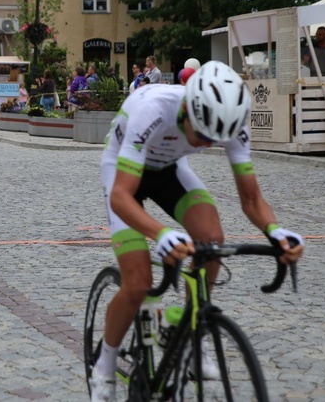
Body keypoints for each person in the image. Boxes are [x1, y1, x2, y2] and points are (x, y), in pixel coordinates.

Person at [89, 61, 305, 401]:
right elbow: (120, 197)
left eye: (215, 139)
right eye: (203, 135)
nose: (207, 144)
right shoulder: (152, 109)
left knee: (212, 240)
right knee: (138, 282)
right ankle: (104, 364)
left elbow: (251, 200)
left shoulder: (230, 124)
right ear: (188, 108)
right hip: (122, 172)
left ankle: (188, 326)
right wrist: (161, 234)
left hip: (170, 171)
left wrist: (276, 232)